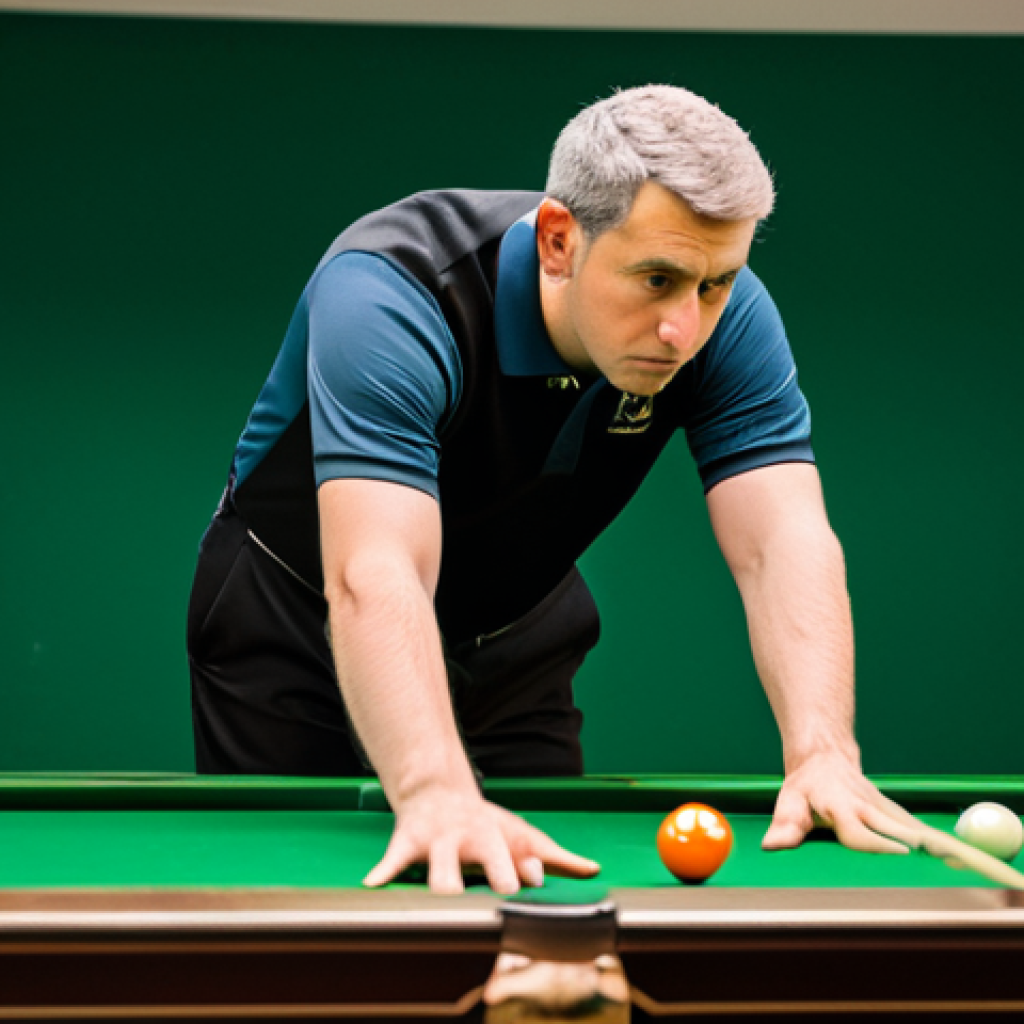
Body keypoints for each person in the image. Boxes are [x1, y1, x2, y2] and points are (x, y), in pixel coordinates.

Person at [187, 84, 918, 895]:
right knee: (310, 913)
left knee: (544, 899)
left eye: (715, 283)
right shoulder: (392, 291)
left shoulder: (727, 314)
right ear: (560, 241)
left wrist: (823, 753)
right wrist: (433, 791)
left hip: (517, 634)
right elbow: (375, 571)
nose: (686, 326)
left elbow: (782, 540)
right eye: (656, 280)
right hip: (299, 627)